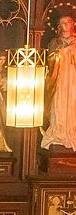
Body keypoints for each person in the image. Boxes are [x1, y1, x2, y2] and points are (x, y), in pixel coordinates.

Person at [42, 15, 76, 150]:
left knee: (72, 104)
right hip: (59, 78)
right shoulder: (54, 42)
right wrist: (58, 54)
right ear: (58, 26)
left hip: (73, 78)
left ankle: (72, 130)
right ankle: (58, 131)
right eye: (63, 23)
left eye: (68, 22)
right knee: (58, 104)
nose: (66, 25)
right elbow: (49, 60)